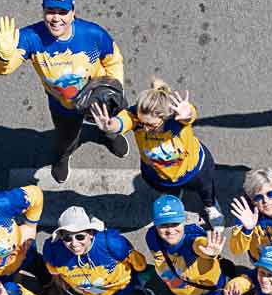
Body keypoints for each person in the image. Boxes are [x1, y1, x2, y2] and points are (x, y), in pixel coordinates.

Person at [0, 0, 128, 182]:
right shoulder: (30, 37)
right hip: (63, 106)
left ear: (73, 13)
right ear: (43, 11)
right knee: (66, 138)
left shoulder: (93, 34)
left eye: (63, 12)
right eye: (50, 11)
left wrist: (115, 89)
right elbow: (0, 70)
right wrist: (3, 56)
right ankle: (62, 158)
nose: (56, 18)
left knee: (109, 124)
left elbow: (113, 60)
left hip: (98, 98)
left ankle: (110, 137)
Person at [86, 79, 222, 224]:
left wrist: (187, 112)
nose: (144, 128)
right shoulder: (136, 116)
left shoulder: (176, 119)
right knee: (171, 193)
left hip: (194, 169)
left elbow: (189, 115)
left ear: (165, 117)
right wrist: (110, 127)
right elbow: (121, 122)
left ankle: (211, 206)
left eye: (151, 125)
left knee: (206, 190)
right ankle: (175, 196)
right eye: (142, 123)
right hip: (158, 174)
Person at [39, 206, 164, 295]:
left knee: (137, 287)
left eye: (80, 237)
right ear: (60, 237)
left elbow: (137, 261)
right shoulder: (52, 250)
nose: (74, 244)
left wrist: (142, 270)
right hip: (92, 292)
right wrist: (60, 282)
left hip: (125, 284)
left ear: (91, 233)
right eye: (67, 238)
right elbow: (53, 271)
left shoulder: (112, 243)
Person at [142, 194, 233, 295]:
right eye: (163, 225)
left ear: (183, 221)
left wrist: (208, 252)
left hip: (209, 289)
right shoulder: (151, 236)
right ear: (155, 225)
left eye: (175, 223)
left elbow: (197, 243)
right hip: (182, 290)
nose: (170, 230)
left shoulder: (192, 238)